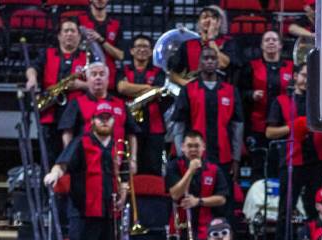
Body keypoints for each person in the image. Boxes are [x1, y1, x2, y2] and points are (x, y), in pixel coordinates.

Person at [45, 102, 129, 240]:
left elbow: (124, 175)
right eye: (100, 117)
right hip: (84, 214)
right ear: (92, 121)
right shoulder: (81, 142)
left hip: (108, 215)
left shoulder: (118, 145)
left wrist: (124, 192)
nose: (104, 121)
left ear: (113, 120)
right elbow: (62, 164)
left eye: (108, 117)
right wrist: (54, 175)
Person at [266, 63, 322, 239]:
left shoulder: (320, 99)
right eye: (304, 75)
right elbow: (269, 132)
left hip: (317, 161)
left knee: (315, 207)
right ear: (295, 76)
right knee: (286, 209)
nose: (306, 80)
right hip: (291, 161)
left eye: (310, 76)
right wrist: (293, 127)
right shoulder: (281, 101)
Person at [171, 46, 244, 210]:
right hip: (194, 158)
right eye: (206, 58)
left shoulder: (231, 91)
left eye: (213, 58)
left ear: (218, 62)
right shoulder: (188, 90)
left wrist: (236, 158)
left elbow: (237, 128)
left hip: (223, 157)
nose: (210, 61)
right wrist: (182, 155)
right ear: (199, 62)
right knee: (193, 201)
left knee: (223, 202)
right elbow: (179, 125)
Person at [25, 18, 89, 159]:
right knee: (48, 158)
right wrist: (32, 78)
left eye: (73, 31)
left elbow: (98, 84)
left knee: (75, 158)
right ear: (59, 35)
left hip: (76, 115)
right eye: (66, 30)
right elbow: (33, 68)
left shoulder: (87, 58)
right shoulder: (47, 53)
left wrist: (81, 85)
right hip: (50, 112)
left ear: (79, 36)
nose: (69, 34)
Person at [239, 30, 293, 179]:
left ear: (280, 45)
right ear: (262, 45)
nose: (271, 42)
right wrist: (251, 94)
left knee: (281, 164)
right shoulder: (251, 66)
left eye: (274, 40)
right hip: (258, 124)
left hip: (283, 126)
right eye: (267, 40)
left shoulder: (290, 67)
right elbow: (239, 92)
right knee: (259, 164)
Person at [59, 61, 138, 161]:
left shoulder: (121, 104)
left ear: (108, 79)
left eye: (102, 74)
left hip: (117, 163)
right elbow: (67, 133)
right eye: (93, 74)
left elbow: (131, 133)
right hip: (85, 163)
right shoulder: (76, 104)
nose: (98, 77)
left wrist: (133, 159)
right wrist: (69, 159)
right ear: (87, 79)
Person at [166, 131, 229, 240]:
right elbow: (175, 194)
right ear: (182, 148)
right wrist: (190, 171)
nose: (193, 150)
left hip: (206, 230)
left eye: (197, 146)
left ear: (203, 147)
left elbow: (222, 199)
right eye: (189, 146)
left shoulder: (214, 169)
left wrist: (198, 201)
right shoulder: (173, 166)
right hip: (179, 228)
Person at [116, 34, 167, 175]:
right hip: (129, 127)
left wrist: (131, 89)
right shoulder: (123, 70)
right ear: (131, 50)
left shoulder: (159, 72)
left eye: (145, 47)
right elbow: (121, 88)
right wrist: (149, 89)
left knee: (153, 170)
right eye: (138, 46)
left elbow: (159, 91)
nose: (142, 49)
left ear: (151, 51)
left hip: (154, 129)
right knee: (130, 170)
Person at [168, 5, 236, 87]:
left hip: (220, 92)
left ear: (219, 23)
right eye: (205, 17)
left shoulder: (228, 43)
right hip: (194, 92)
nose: (208, 20)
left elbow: (222, 64)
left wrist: (211, 39)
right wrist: (187, 84)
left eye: (213, 18)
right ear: (199, 23)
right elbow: (172, 74)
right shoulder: (187, 44)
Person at [78, 0, 124, 91]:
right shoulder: (79, 20)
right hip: (84, 77)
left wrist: (100, 40)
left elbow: (120, 55)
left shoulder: (116, 24)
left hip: (108, 79)